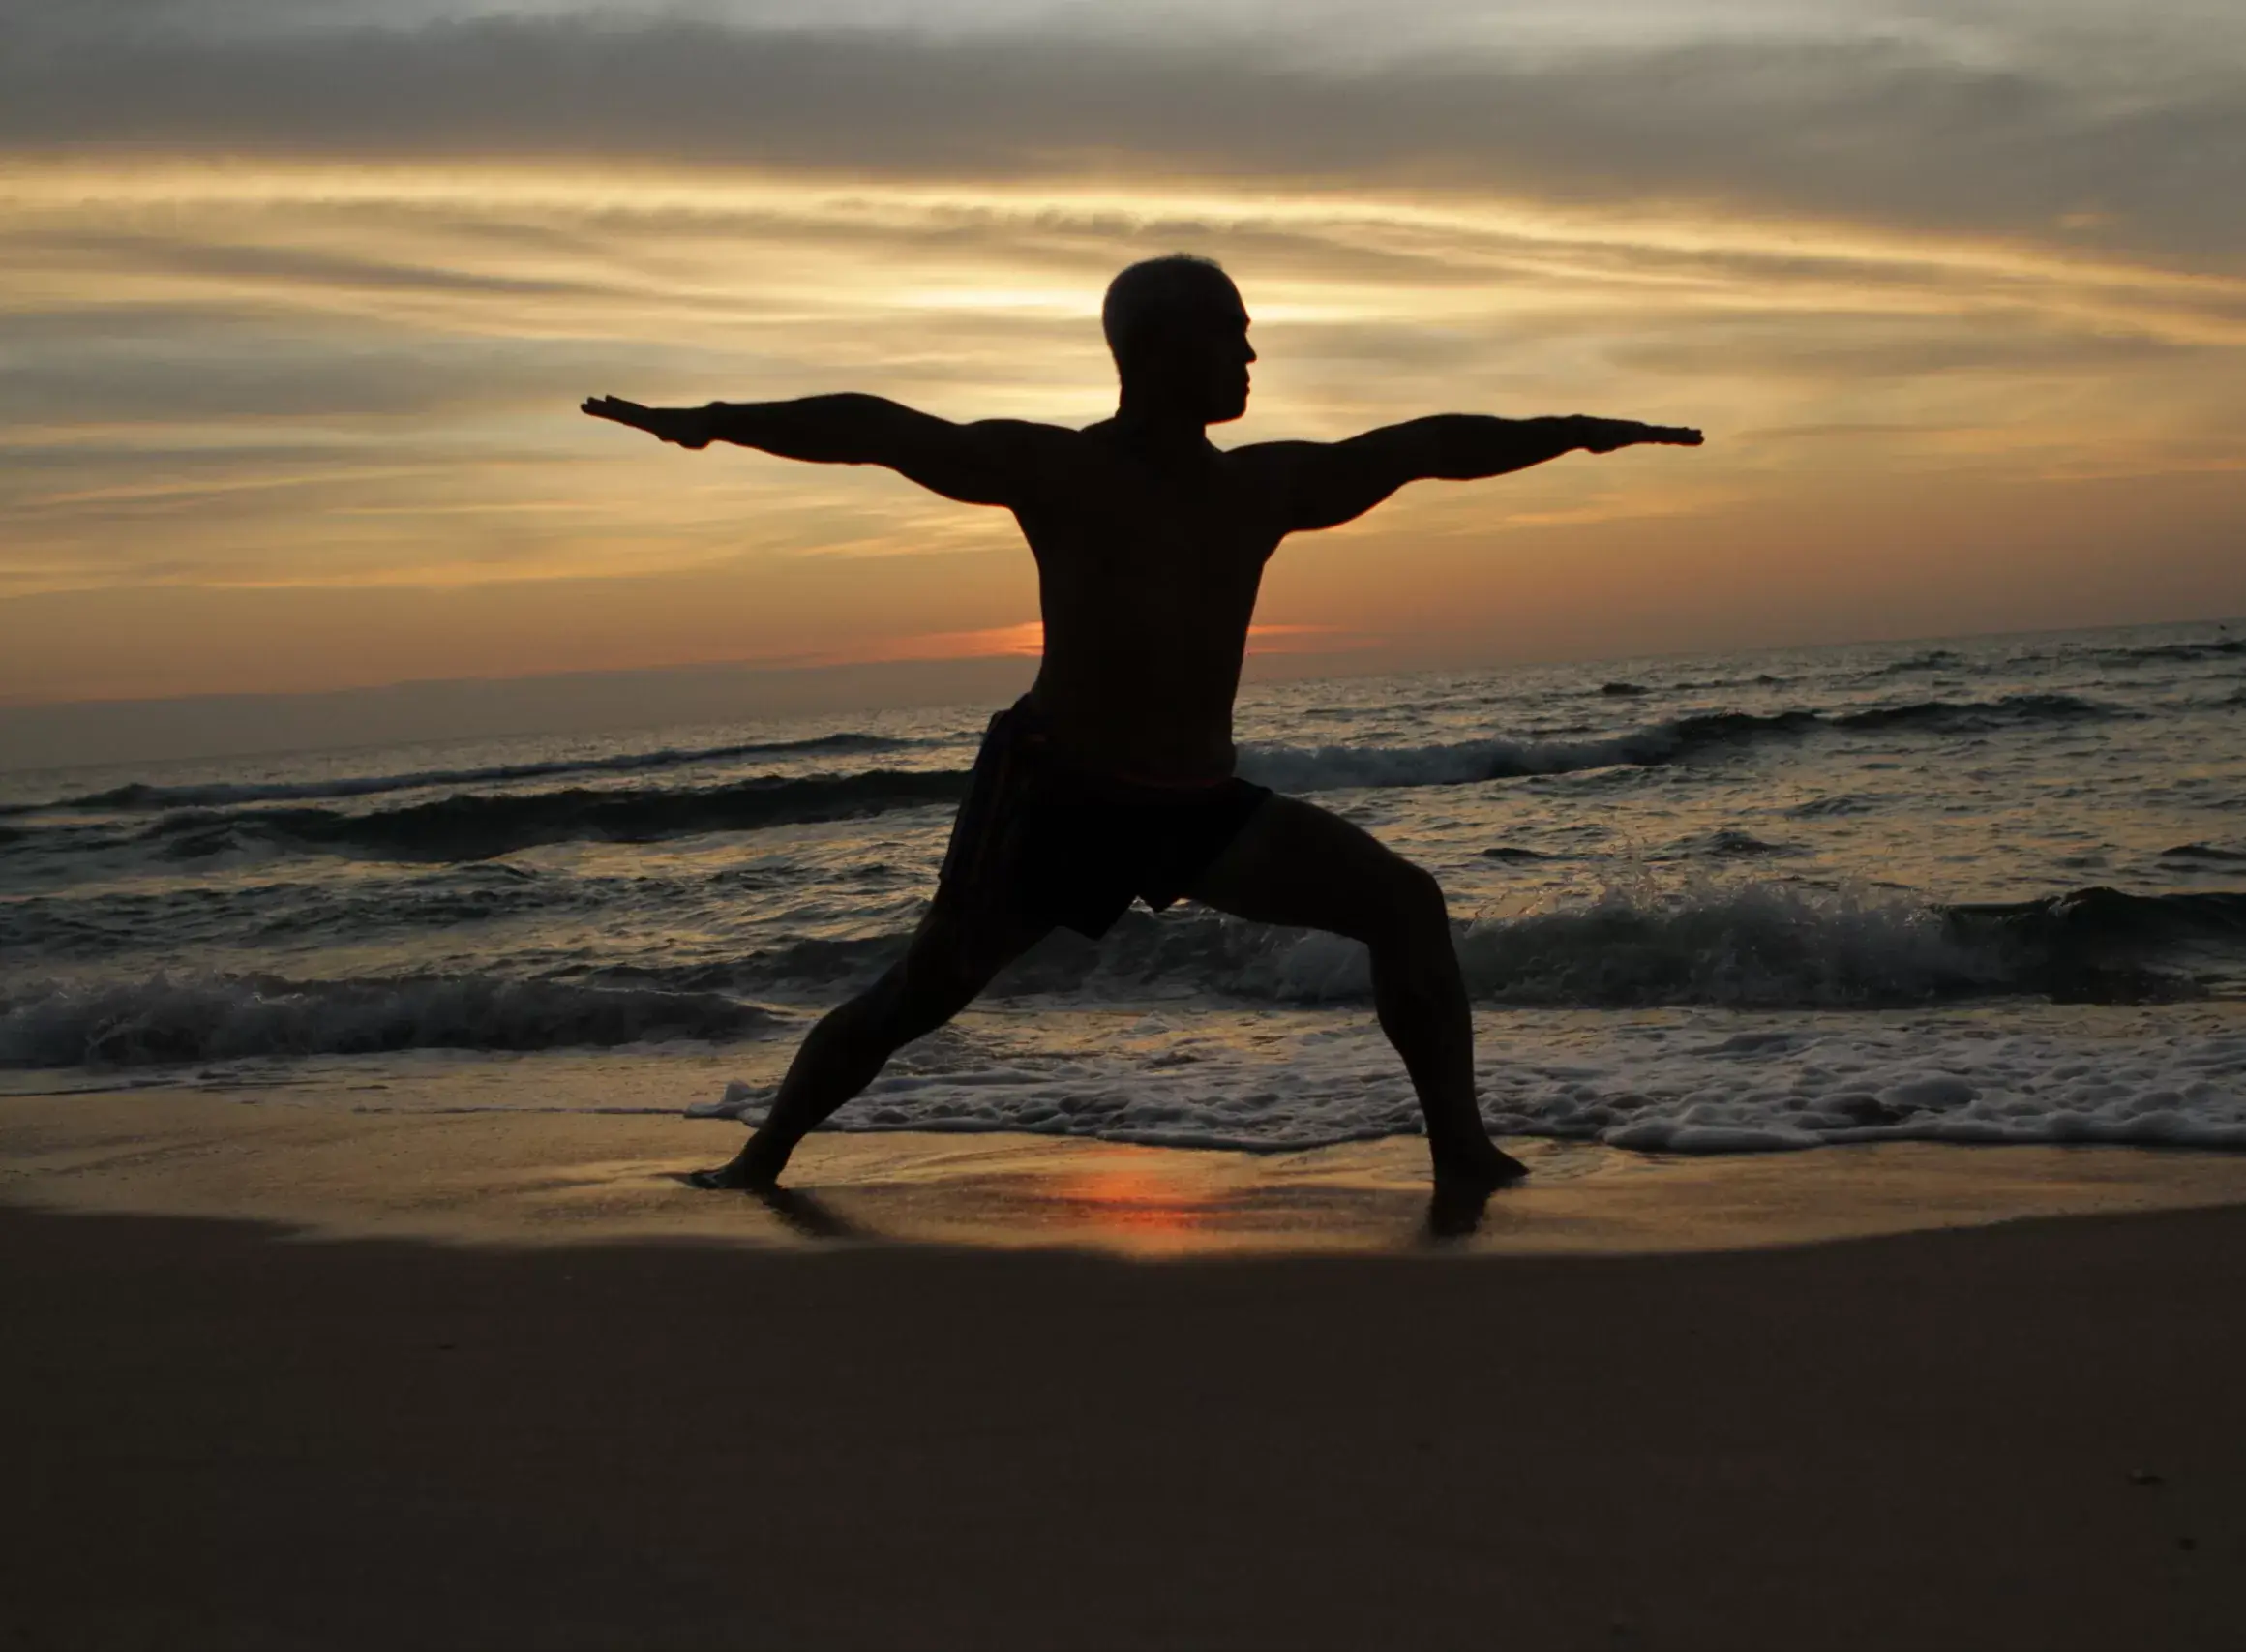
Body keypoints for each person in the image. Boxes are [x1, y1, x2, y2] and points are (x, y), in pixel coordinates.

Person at [584, 254, 1700, 1195]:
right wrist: (714, 425)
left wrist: (1572, 430)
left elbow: (1421, 444)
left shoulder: (1259, 488)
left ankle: (1462, 1156)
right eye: (1234, 337)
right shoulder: (1059, 470)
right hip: (1055, 797)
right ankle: (760, 1159)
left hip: (1194, 806)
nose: (1252, 360)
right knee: (921, 993)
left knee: (1403, 902)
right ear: (1164, 350)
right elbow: (877, 428)